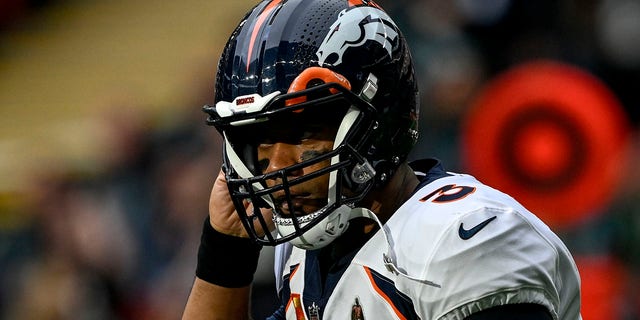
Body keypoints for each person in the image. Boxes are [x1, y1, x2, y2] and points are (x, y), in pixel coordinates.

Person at [182, 0, 582, 319]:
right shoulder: (313, 246)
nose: (275, 166)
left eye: (302, 134)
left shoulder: (460, 243)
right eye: (258, 141)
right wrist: (226, 249)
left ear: (378, 121)